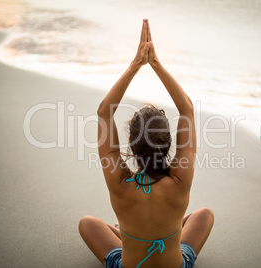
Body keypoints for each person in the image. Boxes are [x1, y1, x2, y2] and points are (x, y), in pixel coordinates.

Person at [79, 19, 214, 268]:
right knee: (203, 215)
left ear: (130, 144)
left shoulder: (120, 184)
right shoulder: (180, 181)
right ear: (169, 142)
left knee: (87, 223)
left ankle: (128, 232)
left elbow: (104, 112)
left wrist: (136, 64)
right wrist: (156, 64)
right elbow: (187, 109)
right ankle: (149, 230)